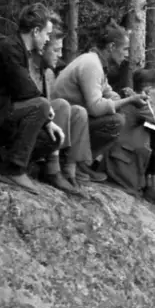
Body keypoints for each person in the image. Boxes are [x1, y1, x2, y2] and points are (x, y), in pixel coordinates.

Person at [0, 3, 66, 194]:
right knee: (42, 106)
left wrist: (48, 123)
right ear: (35, 31)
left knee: (52, 139)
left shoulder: (20, 49)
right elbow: (26, 91)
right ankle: (14, 169)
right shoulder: (9, 49)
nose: (47, 39)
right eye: (47, 34)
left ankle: (1, 162)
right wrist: (48, 119)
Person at [50, 21, 142, 181]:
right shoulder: (92, 65)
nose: (127, 54)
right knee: (115, 122)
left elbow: (106, 91)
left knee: (119, 114)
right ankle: (75, 162)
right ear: (112, 47)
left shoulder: (96, 62)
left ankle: (80, 163)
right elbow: (96, 108)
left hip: (75, 118)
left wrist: (125, 99)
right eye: (125, 49)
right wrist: (129, 100)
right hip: (64, 121)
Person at [101, 66, 155, 215]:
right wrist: (142, 105)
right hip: (121, 171)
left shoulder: (136, 106)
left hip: (126, 167)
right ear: (148, 91)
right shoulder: (136, 107)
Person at [34, 26, 89, 195]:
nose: (60, 55)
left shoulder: (49, 72)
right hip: (29, 125)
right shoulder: (30, 66)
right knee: (62, 105)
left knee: (79, 112)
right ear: (42, 48)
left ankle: (69, 169)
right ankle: (52, 167)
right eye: (56, 50)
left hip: (44, 122)